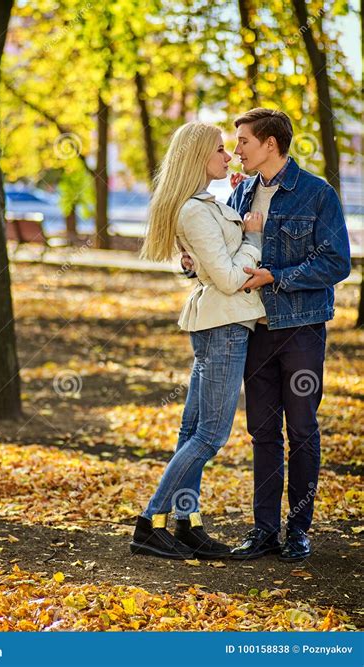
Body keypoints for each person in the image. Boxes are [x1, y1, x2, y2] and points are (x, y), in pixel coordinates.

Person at [182, 108, 351, 561]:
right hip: (250, 331)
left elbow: (337, 262)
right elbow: (226, 258)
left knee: (301, 429)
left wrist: (275, 276)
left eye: (243, 141)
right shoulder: (239, 198)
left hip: (300, 330)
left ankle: (298, 529)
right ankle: (264, 530)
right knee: (262, 433)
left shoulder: (317, 193)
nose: (236, 151)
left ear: (270, 144)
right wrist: (193, 263)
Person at [130, 121, 266, 560]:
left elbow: (209, 258)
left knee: (192, 429)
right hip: (224, 326)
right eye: (221, 150)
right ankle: (150, 522)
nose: (228, 157)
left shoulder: (205, 203)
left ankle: (187, 522)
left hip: (217, 325)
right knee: (211, 435)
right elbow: (229, 278)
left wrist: (237, 216)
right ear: (198, 156)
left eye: (230, 149)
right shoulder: (193, 209)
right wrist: (254, 237)